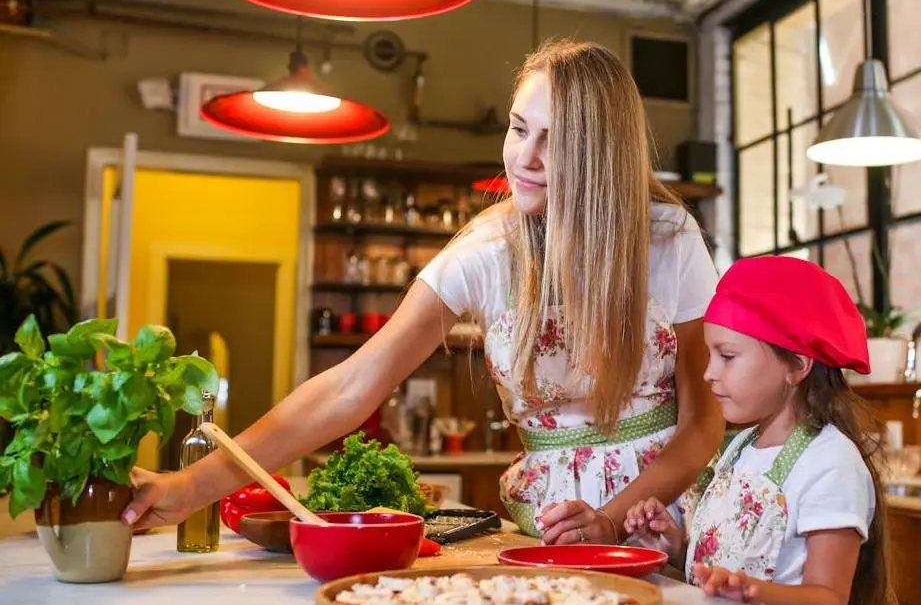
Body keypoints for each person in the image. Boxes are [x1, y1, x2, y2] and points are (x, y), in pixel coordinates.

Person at [120, 38, 725, 547]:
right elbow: (351, 387)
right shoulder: (488, 249)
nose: (527, 158)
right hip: (548, 522)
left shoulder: (668, 239)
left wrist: (614, 518)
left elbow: (703, 424)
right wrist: (191, 486)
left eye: (556, 140)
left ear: (602, 153)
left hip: (661, 515)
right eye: (519, 129)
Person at [623, 256, 896, 605]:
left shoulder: (830, 463)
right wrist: (676, 547)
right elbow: (730, 564)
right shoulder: (741, 448)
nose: (708, 373)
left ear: (796, 365)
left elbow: (828, 597)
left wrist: (754, 592)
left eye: (728, 355)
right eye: (710, 355)